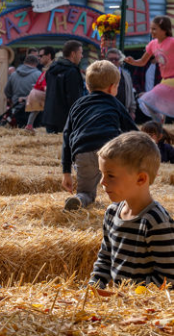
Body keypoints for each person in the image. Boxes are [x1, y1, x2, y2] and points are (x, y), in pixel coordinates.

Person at [89, 132, 174, 288]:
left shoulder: (155, 221)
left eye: (111, 175)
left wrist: (129, 296)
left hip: (142, 308)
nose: (102, 182)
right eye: (102, 173)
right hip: (119, 305)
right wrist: (92, 289)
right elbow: (104, 260)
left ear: (141, 179)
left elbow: (167, 278)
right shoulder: (112, 213)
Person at [61, 60, 137, 210]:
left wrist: (66, 172)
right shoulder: (114, 103)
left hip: (83, 152)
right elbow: (132, 132)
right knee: (120, 189)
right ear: (111, 88)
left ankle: (79, 199)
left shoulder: (77, 105)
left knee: (86, 192)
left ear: (88, 86)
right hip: (110, 151)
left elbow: (67, 137)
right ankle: (121, 208)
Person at [126, 16, 174, 124]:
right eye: (151, 28)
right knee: (146, 100)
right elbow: (142, 62)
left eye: (154, 29)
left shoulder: (171, 42)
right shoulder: (153, 44)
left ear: (164, 30)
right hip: (165, 81)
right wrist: (133, 61)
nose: (151, 31)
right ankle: (159, 122)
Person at [43, 40, 84, 133]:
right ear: (73, 54)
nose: (82, 56)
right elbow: (74, 97)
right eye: (80, 53)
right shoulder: (72, 71)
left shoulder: (51, 69)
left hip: (49, 117)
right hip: (64, 120)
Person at [3, 54, 41, 127]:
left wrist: (11, 99)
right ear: (35, 64)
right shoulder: (39, 75)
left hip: (17, 109)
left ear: (24, 62)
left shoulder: (13, 75)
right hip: (33, 110)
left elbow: (6, 91)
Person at [24, 46, 55, 133]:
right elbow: (45, 83)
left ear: (48, 56)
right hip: (41, 92)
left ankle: (29, 125)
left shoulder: (46, 70)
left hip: (36, 91)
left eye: (40, 56)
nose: (38, 58)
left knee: (35, 111)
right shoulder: (49, 69)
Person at [105, 48, 137, 119]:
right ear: (106, 60)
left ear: (120, 61)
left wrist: (132, 111)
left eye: (116, 59)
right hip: (107, 112)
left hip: (124, 112)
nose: (113, 61)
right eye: (111, 59)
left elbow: (131, 94)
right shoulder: (102, 75)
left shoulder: (126, 75)